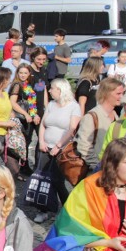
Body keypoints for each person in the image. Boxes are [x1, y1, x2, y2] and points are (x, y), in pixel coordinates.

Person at [35, 78, 82, 222]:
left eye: (52, 88)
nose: (49, 91)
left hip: (62, 149)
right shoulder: (51, 104)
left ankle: (68, 209)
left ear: (60, 90)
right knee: (42, 179)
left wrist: (58, 146)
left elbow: (72, 128)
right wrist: (41, 141)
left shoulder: (74, 107)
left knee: (57, 180)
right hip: (45, 146)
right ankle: (44, 209)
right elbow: (43, 124)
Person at [74, 78, 124, 172]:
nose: (122, 97)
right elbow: (83, 147)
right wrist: (98, 166)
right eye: (118, 94)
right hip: (96, 172)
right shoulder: (92, 116)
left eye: (122, 93)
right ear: (106, 94)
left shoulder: (116, 115)